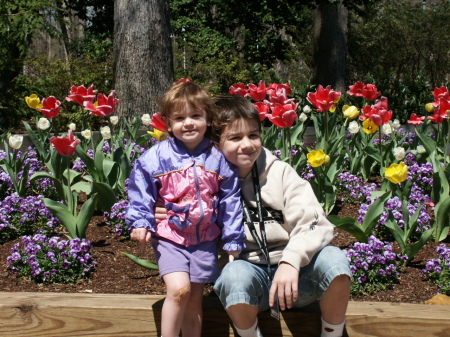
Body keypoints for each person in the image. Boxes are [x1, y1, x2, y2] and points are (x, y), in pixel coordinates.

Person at [156, 94, 351, 337]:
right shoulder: (201, 184)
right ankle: (249, 333)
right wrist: (172, 215)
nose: (247, 145)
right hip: (249, 282)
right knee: (233, 274)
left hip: (297, 278)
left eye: (253, 135)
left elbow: (315, 223)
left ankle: (331, 334)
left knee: (334, 259)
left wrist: (291, 261)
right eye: (235, 138)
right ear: (214, 143)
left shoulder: (280, 173)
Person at [126, 83, 246, 337]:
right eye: (180, 118)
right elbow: (140, 190)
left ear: (208, 119)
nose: (188, 123)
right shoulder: (155, 158)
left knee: (194, 300)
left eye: (195, 116)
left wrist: (233, 238)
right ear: (168, 124)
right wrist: (140, 222)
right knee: (179, 290)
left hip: (205, 238)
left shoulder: (218, 158)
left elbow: (230, 199)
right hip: (171, 236)